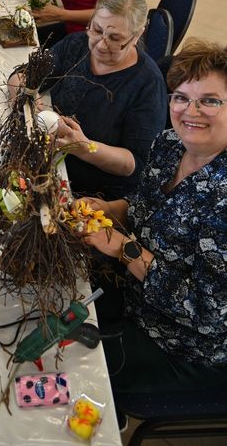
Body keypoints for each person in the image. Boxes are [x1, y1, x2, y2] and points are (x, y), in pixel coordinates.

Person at [81, 38, 227, 394]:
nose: (190, 111)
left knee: (76, 370)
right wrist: (112, 210)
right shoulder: (169, 144)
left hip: (183, 343)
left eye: (209, 100)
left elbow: (206, 313)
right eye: (180, 97)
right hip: (134, 293)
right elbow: (144, 206)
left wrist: (125, 250)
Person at [9, 0, 167, 200]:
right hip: (48, 160)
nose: (101, 45)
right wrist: (27, 97)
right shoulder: (77, 45)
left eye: (114, 38)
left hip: (89, 191)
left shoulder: (147, 84)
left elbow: (135, 164)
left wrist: (83, 147)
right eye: (97, 30)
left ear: (137, 35)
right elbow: (21, 76)